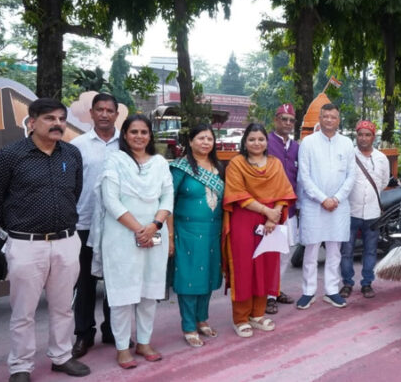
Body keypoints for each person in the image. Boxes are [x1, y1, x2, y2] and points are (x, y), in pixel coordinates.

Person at [0, 98, 90, 381]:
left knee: (63, 306)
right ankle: (20, 366)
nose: (57, 124)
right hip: (26, 244)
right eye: (50, 118)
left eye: (61, 118)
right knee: (23, 311)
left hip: (66, 242)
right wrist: (16, 227)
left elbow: (75, 192)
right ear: (32, 122)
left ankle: (61, 356)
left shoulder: (71, 154)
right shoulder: (9, 156)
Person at [94, 114, 173, 369]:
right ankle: (122, 347)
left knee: (150, 291)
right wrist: (140, 229)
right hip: (122, 234)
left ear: (150, 136)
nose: (139, 136)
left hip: (155, 231)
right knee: (122, 294)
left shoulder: (160, 162)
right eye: (133, 132)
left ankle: (144, 342)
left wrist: (154, 226)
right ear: (125, 135)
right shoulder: (115, 160)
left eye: (144, 132)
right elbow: (111, 200)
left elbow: (167, 196)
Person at [222, 123, 296, 338]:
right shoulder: (236, 164)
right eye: (252, 139)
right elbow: (237, 194)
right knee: (243, 267)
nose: (257, 143)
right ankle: (241, 318)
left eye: (261, 139)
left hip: (271, 222)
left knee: (266, 265)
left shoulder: (275, 164)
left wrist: (275, 214)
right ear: (245, 142)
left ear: (266, 142)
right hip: (244, 220)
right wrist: (267, 211)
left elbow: (284, 192)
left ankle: (258, 314)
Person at [70, 93, 120, 359]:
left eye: (109, 110)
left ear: (116, 115)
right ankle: (84, 334)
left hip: (118, 224)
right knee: (85, 282)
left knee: (116, 281)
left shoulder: (126, 143)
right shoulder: (77, 146)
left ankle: (113, 330)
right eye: (99, 109)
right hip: (85, 222)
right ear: (91, 113)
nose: (104, 114)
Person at [168, 124, 224, 347]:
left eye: (209, 138)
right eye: (200, 138)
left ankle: (202, 319)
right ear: (190, 142)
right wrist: (170, 235)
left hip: (213, 230)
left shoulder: (219, 167)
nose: (205, 142)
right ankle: (189, 325)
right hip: (187, 231)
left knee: (208, 275)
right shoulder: (180, 168)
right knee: (189, 277)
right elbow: (167, 202)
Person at [296, 103, 356, 309]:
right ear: (320, 119)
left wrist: (336, 198)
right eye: (326, 116)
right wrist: (322, 199)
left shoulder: (347, 143)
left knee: (334, 250)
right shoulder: (308, 143)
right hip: (314, 205)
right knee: (311, 250)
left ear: (338, 120)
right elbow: (304, 176)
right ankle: (308, 291)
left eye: (333, 117)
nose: (329, 120)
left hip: (338, 206)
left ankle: (331, 290)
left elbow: (351, 175)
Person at [339, 120, 390, 299]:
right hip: (350, 212)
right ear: (356, 136)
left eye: (367, 135)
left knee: (370, 250)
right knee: (346, 251)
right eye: (360, 134)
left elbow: (384, 182)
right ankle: (347, 283)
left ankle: (367, 283)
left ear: (373, 137)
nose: (363, 138)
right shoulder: (349, 156)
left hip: (373, 213)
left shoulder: (381, 158)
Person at [265, 104, 299, 313]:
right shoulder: (265, 142)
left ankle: (275, 290)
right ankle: (266, 294)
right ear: (275, 120)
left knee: (286, 252)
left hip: (291, 208)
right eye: (283, 119)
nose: (287, 123)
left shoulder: (296, 147)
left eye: (291, 120)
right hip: (269, 209)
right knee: (269, 253)